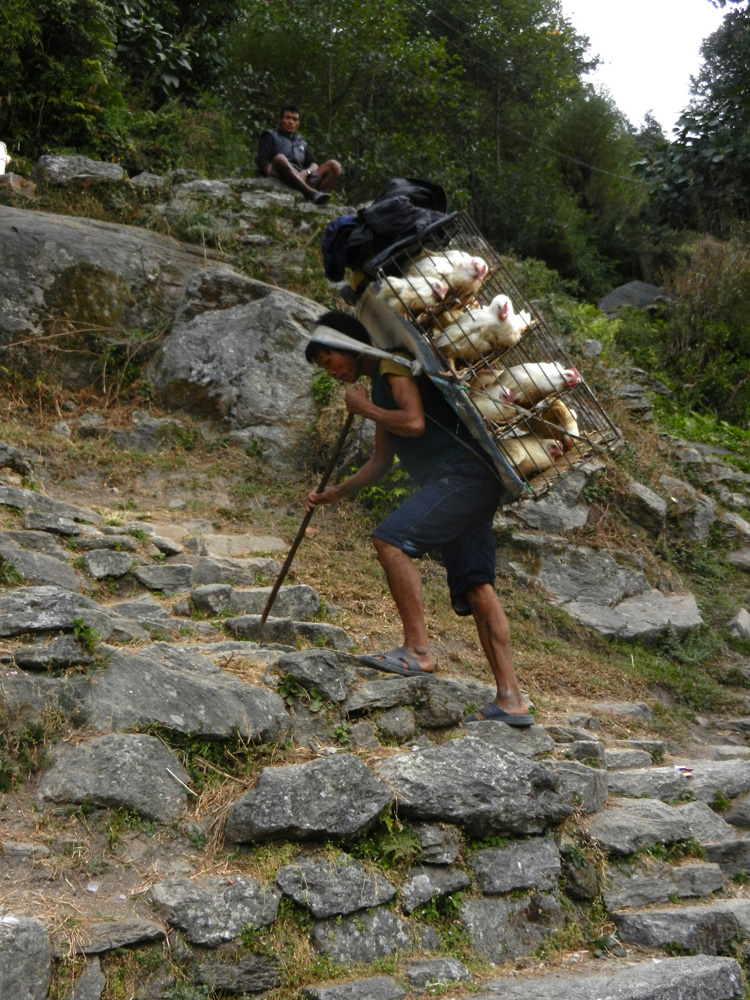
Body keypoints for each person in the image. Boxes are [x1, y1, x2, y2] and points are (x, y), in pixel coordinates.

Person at [303, 311, 534, 726]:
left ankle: (418, 650)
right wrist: (334, 493)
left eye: (328, 360)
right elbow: (380, 461)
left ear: (348, 346)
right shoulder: (379, 381)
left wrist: (367, 408)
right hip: (475, 480)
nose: (331, 370)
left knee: (390, 540)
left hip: (462, 474)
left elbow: (412, 421)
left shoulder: (392, 366)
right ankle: (511, 700)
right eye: (323, 366)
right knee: (477, 586)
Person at [257, 104, 341, 205]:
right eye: (287, 118)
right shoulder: (271, 136)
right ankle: (311, 193)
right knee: (280, 158)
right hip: (283, 176)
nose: (291, 122)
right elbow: (263, 163)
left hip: (302, 177)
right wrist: (287, 173)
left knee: (334, 166)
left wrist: (306, 173)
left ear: (298, 123)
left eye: (295, 119)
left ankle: (319, 200)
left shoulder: (301, 142)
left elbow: (313, 164)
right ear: (280, 119)